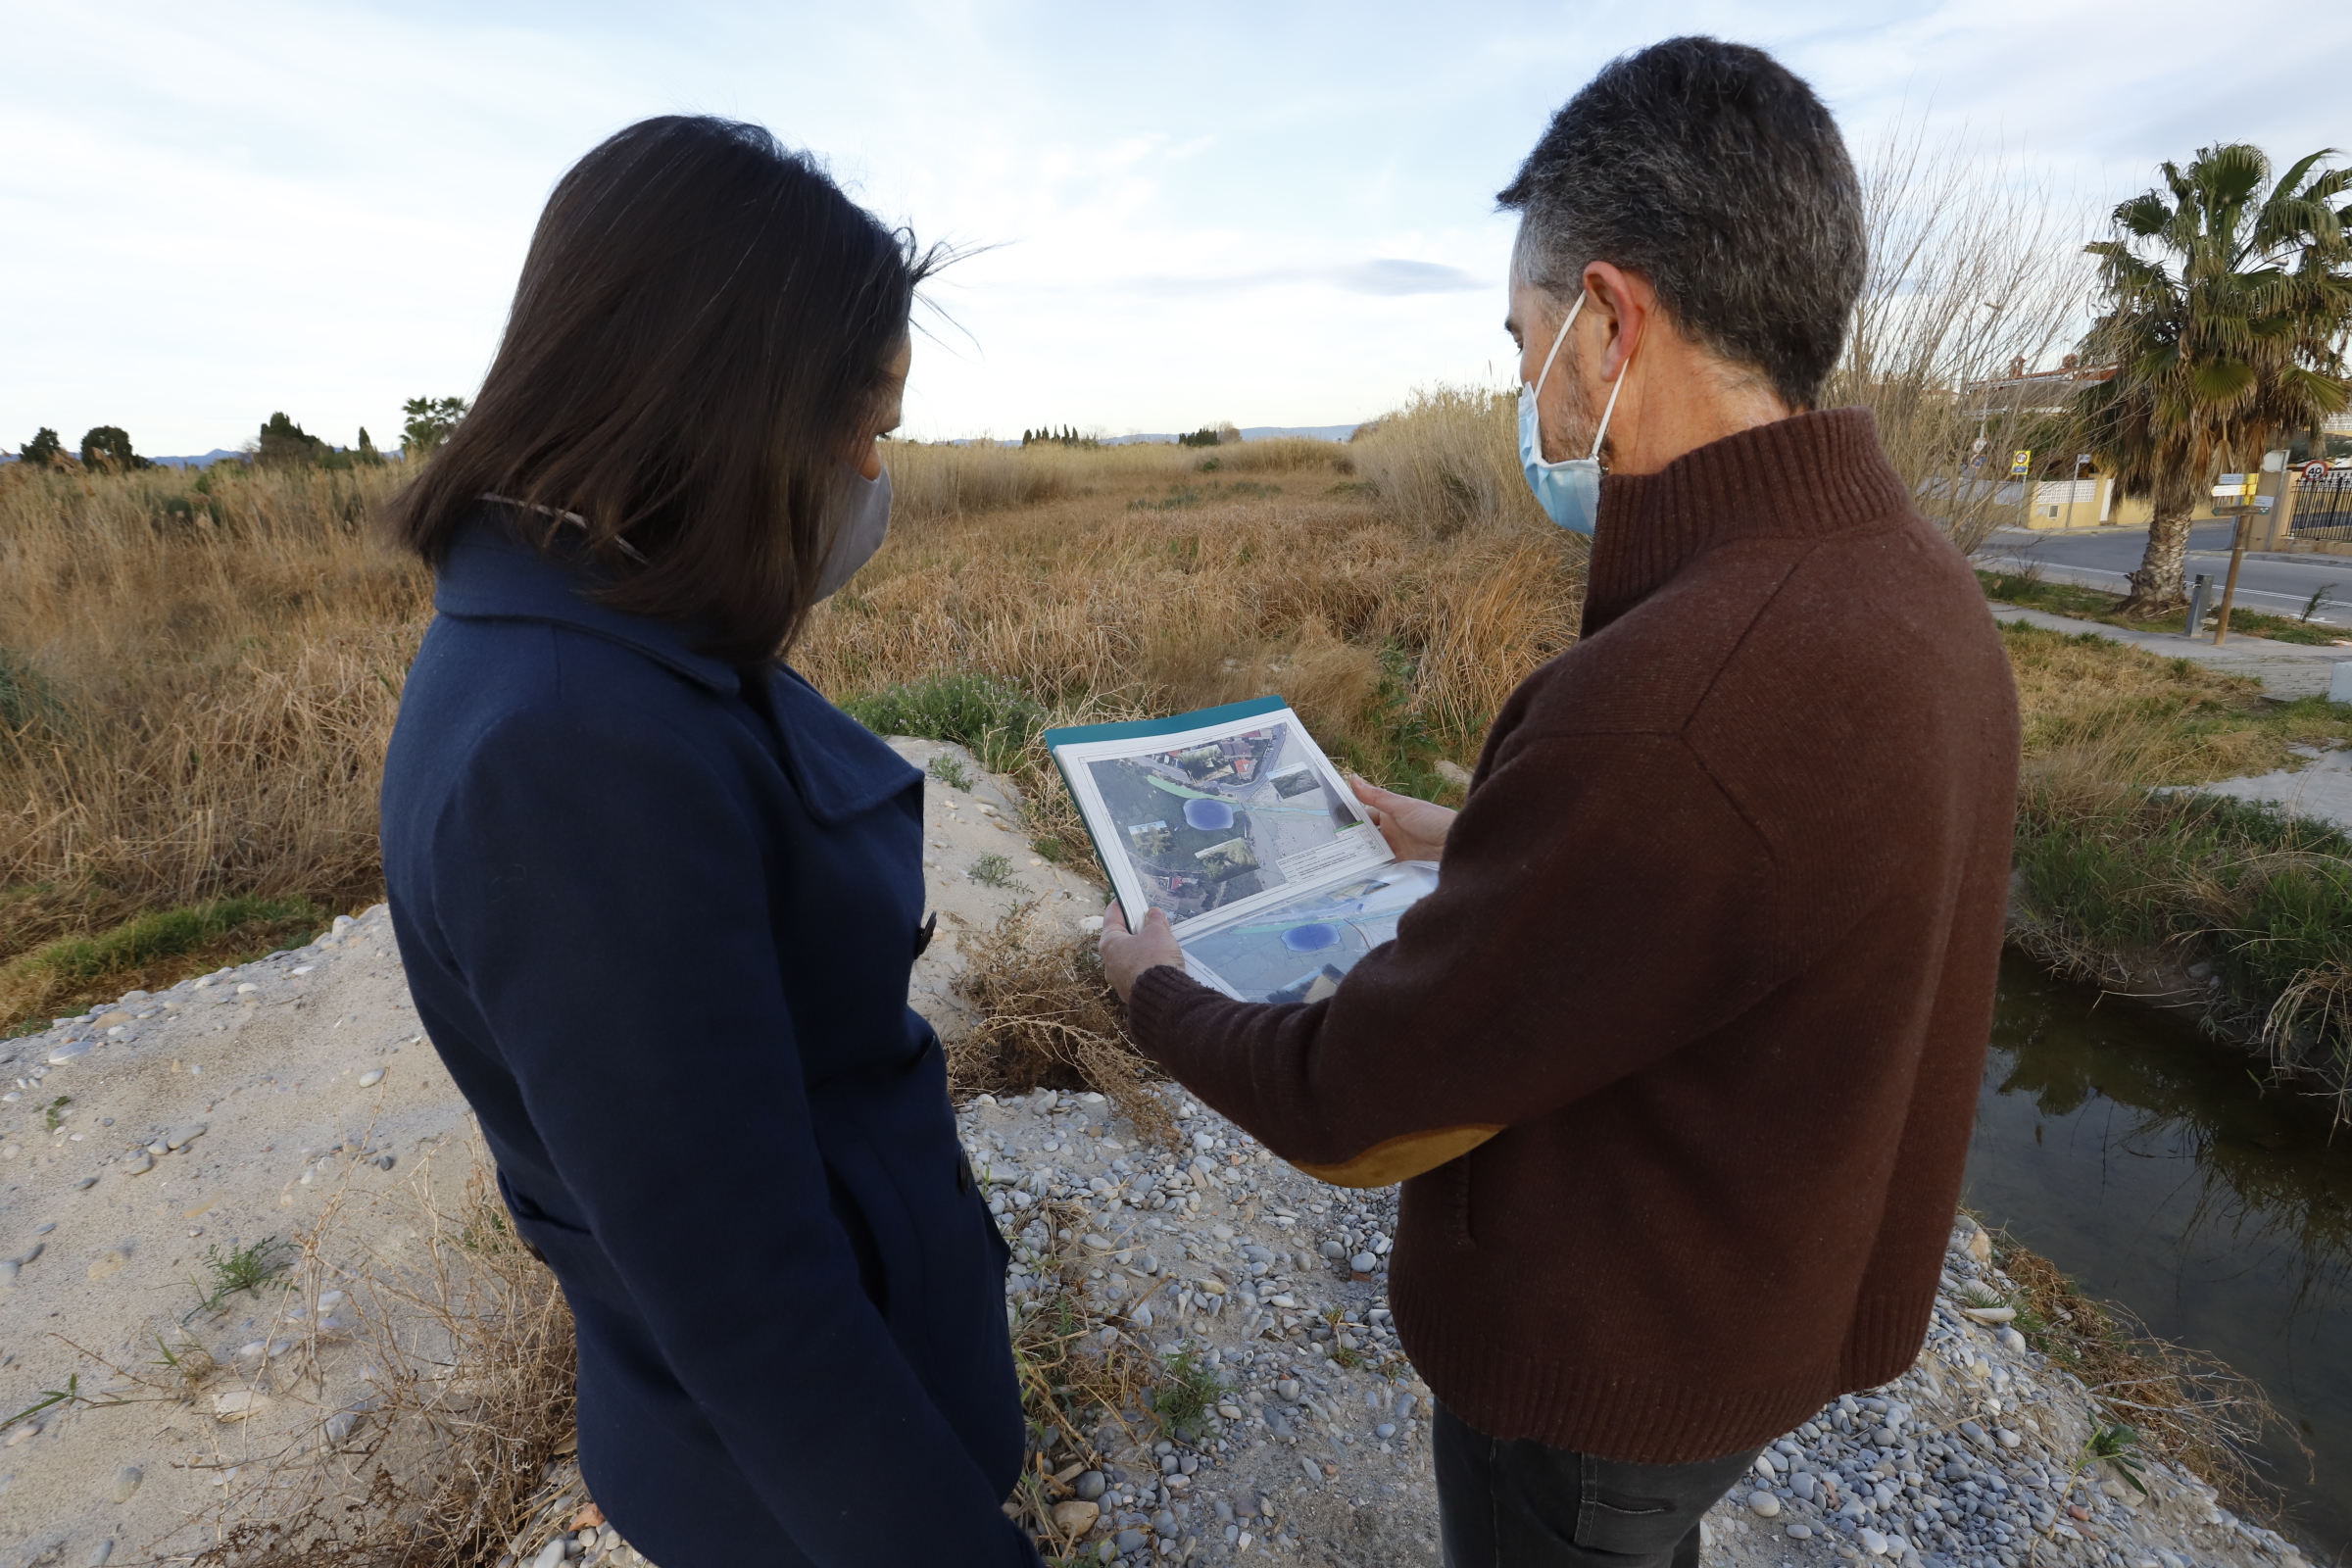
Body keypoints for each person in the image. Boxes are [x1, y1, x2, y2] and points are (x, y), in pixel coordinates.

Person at [1100, 37, 2022, 1568]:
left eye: (1521, 340)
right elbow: (1746, 899)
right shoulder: (1913, 586)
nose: (1519, 386)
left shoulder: (1672, 698)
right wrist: (1478, 841)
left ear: (1610, 323)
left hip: (1607, 1384)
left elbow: (1352, 1105)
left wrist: (1149, 987)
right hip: (1757, 1316)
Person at [377, 118, 1043, 1567]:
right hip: (796, 1509)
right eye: (860, 419)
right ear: (719, 401)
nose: (874, 468)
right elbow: (753, 1302)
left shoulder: (603, 631)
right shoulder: (568, 757)